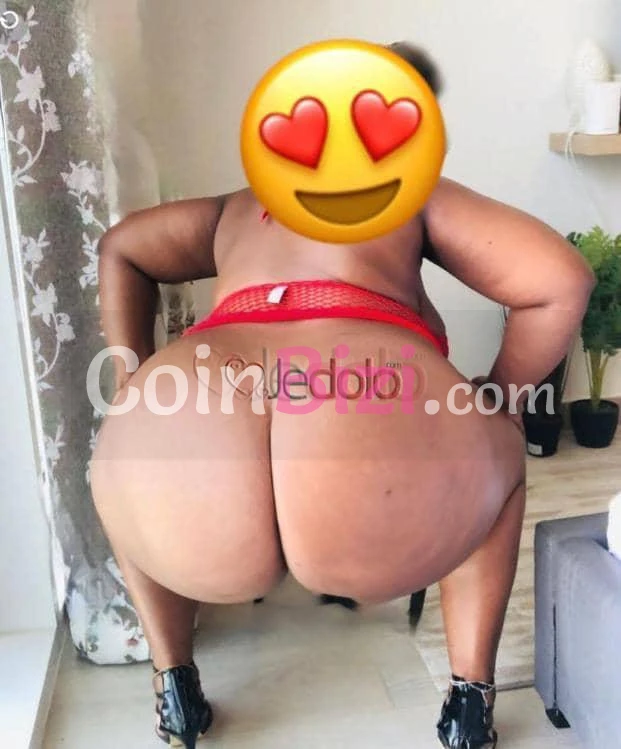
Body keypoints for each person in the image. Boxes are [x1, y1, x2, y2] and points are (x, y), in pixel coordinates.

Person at [90, 42, 594, 749]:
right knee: (499, 459)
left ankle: (174, 687)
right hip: (369, 412)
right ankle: (468, 704)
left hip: (193, 444)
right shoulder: (411, 194)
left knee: (123, 463)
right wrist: (501, 400)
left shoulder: (237, 205)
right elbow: (561, 279)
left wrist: (132, 382)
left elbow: (121, 246)